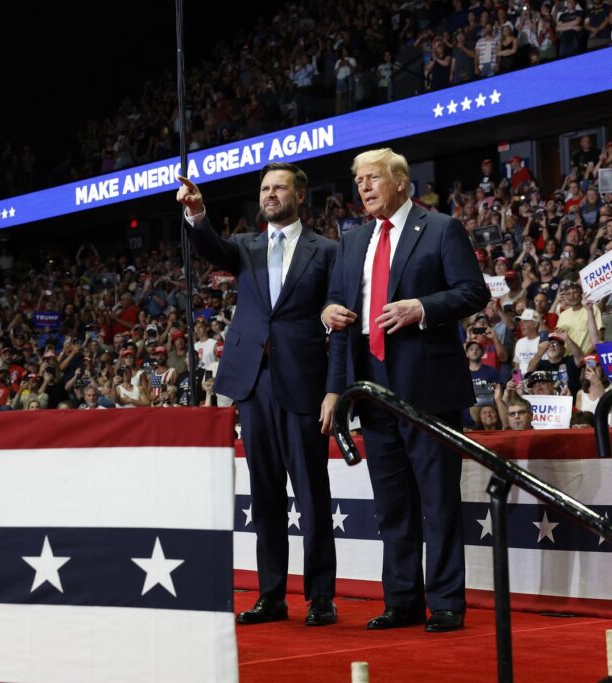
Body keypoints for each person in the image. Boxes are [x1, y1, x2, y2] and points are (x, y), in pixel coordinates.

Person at [322, 147, 489, 633]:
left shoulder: (439, 228)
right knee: (392, 505)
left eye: (373, 178)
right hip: (372, 393)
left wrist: (423, 307)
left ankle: (446, 603)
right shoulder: (351, 242)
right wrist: (335, 377)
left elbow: (473, 291)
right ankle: (401, 601)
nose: (364, 188)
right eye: (358, 181)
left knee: (437, 502)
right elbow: (339, 316)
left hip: (428, 390)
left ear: (400, 181)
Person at [176, 162, 344, 627]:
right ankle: (271, 594)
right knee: (265, 496)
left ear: (300, 195)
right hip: (253, 385)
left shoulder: (328, 250)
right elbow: (209, 247)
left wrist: (334, 388)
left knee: (312, 495)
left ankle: (321, 596)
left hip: (304, 384)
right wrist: (196, 214)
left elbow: (336, 309)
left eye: (279, 188)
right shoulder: (246, 247)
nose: (270, 195)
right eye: (265, 189)